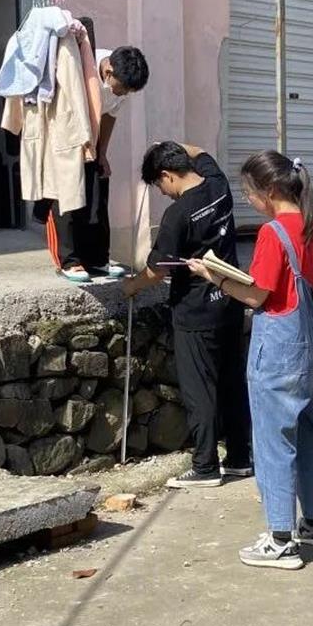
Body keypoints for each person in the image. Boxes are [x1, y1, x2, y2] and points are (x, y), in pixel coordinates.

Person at [187, 151, 313, 569]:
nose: (248, 200)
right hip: (311, 346)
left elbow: (257, 295)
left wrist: (214, 276)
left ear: (271, 191)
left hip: (277, 350)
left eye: (250, 193)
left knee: (274, 442)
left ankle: (280, 538)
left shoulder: (273, 233)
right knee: (309, 435)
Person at [123, 142, 252, 488]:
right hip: (229, 302)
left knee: (200, 391)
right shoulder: (218, 183)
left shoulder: (177, 215)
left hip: (195, 314)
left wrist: (132, 286)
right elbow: (199, 150)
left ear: (167, 175)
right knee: (232, 383)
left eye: (159, 185)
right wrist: (164, 145)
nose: (162, 192)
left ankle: (205, 467)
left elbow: (157, 271)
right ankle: (240, 458)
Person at [54, 45, 150, 282]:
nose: (123, 93)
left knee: (98, 191)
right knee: (68, 196)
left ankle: (97, 259)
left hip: (92, 137)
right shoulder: (80, 66)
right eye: (122, 88)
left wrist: (102, 153)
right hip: (64, 134)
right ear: (108, 72)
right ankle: (70, 261)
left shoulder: (122, 82)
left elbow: (109, 115)